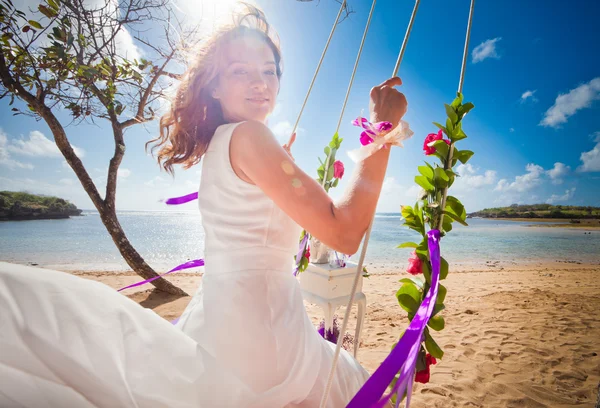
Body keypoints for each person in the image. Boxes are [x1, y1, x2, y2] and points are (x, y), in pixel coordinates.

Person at [0, 4, 408, 407]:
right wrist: (381, 128)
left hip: (222, 318)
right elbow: (344, 231)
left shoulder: (221, 143)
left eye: (269, 71)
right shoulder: (249, 137)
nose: (260, 82)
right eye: (240, 71)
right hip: (264, 338)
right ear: (214, 85)